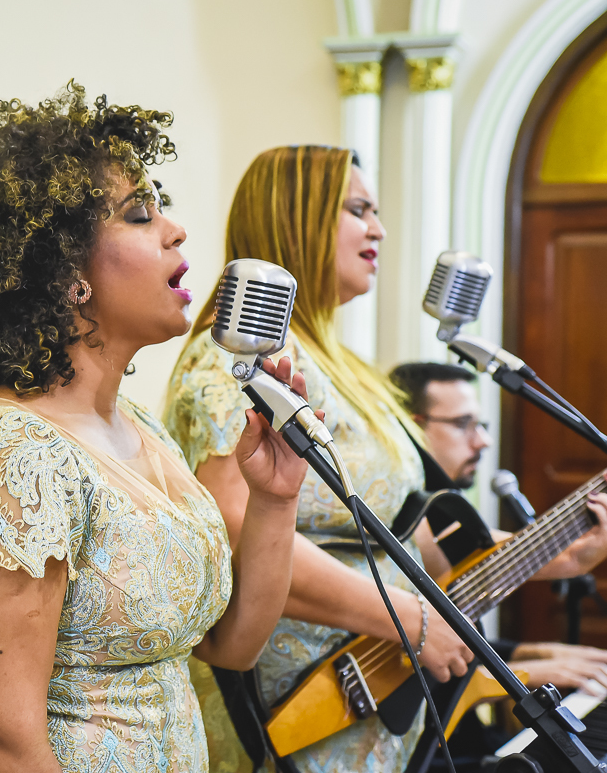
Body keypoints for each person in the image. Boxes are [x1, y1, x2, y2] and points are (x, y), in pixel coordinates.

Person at [165, 146, 607, 773]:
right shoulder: (242, 357)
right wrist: (410, 616)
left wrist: (562, 555)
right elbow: (236, 530)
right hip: (294, 701)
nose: (379, 228)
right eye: (359, 210)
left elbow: (406, 540)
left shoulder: (341, 367)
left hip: (378, 693)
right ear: (299, 216)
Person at [0, 83, 310, 773]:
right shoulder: (13, 453)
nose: (176, 230)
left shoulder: (141, 428)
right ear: (67, 271)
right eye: (139, 214)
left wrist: (275, 500)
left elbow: (232, 647)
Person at [390, 362, 607, 692]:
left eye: (482, 425)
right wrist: (530, 669)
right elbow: (406, 672)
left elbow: (501, 556)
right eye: (464, 424)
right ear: (412, 427)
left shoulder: (439, 517)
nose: (485, 441)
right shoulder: (392, 519)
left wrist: (530, 651)